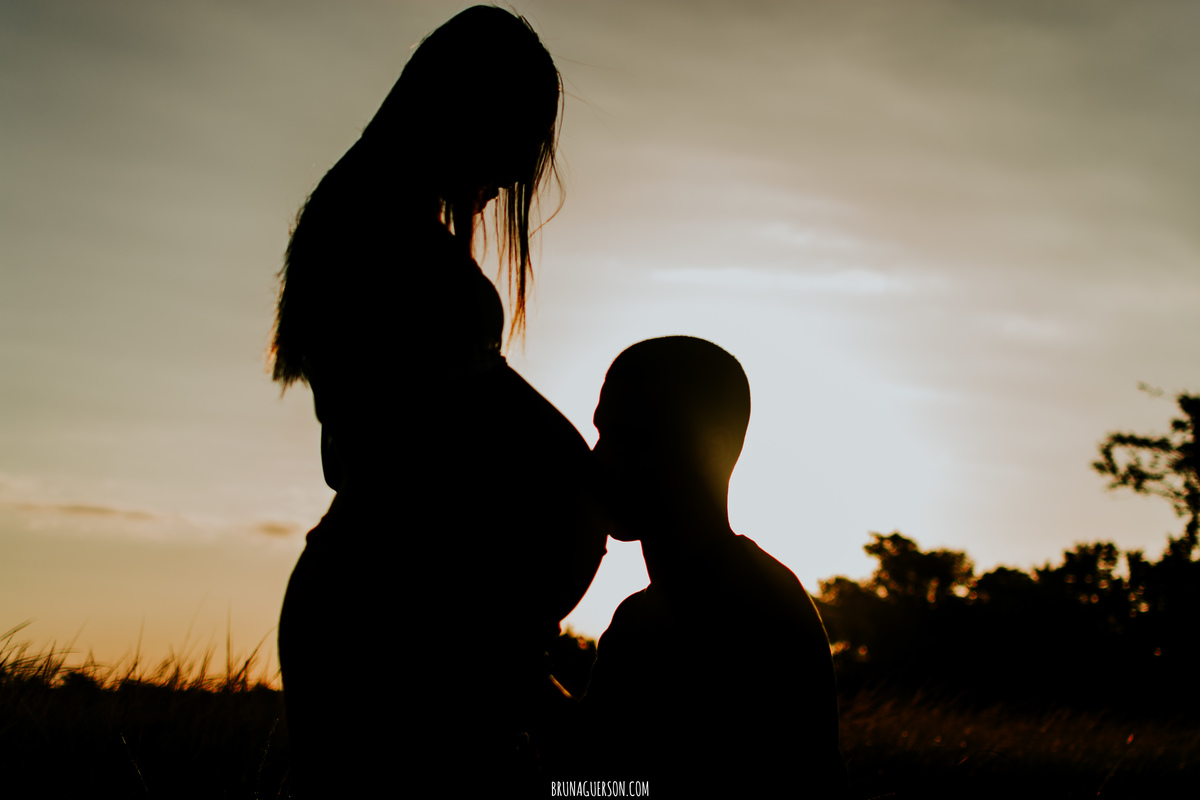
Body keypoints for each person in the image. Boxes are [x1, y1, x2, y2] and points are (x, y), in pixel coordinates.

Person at [270, 7, 607, 794]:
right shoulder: (379, 238)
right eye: (518, 139)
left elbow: (353, 454)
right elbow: (398, 459)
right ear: (471, 111)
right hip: (402, 618)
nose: (514, 178)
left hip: (417, 608)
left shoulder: (365, 224)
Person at [582, 336, 848, 797]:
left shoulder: (748, 612)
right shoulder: (641, 614)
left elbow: (641, 791)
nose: (599, 460)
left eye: (631, 439)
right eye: (602, 433)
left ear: (712, 448)